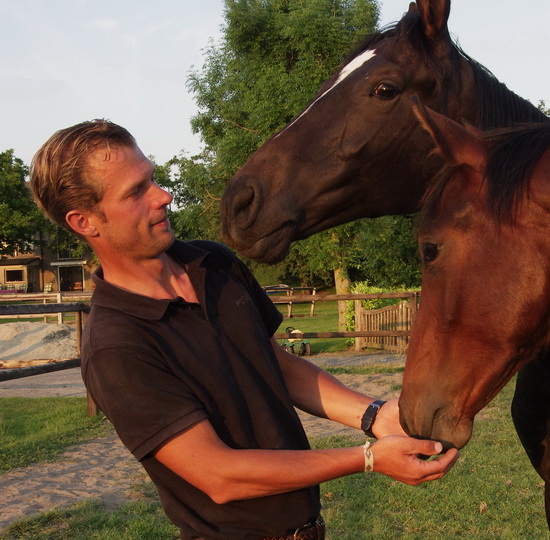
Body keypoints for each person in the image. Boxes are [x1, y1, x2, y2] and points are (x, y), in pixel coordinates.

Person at [30, 120, 459, 540]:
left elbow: (274, 364)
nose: (163, 196)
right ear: (85, 222)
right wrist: (368, 459)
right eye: (135, 192)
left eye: (153, 179)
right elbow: (220, 475)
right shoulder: (116, 345)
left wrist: (373, 415)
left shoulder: (214, 263)